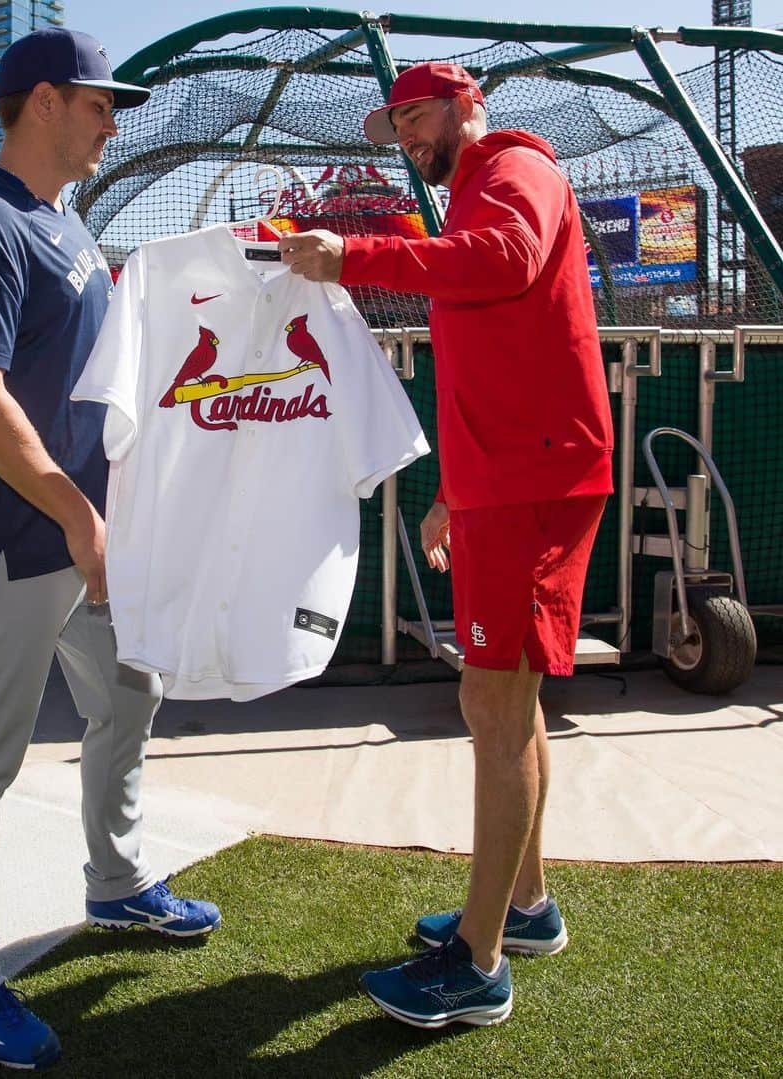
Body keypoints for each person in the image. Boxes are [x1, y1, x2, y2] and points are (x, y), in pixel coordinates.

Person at [280, 62, 613, 1028]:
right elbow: (497, 344)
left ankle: (478, 963)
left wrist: (354, 253)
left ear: (467, 104)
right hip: (512, 474)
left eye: (418, 114)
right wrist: (453, 495)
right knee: (513, 696)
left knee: (492, 700)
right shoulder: (475, 188)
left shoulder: (516, 171)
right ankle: (526, 908)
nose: (409, 136)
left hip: (536, 479)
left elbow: (499, 263)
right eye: (398, 125)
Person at [0, 28, 220, 1070]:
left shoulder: (66, 222)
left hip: (91, 533)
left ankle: (119, 878)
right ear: (44, 100)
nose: (113, 120)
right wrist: (71, 510)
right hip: (12, 538)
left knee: (128, 699)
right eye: (101, 102)